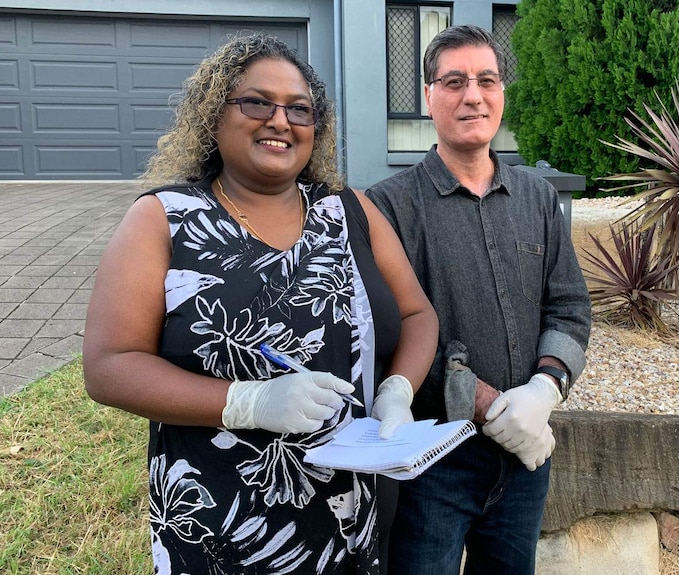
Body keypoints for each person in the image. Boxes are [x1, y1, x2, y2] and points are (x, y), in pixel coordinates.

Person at [83, 33, 437, 575]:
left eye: (300, 109)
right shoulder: (165, 220)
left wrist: (397, 391)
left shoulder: (350, 211)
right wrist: (247, 403)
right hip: (222, 528)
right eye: (257, 102)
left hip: (354, 519)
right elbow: (109, 367)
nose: (281, 120)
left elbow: (417, 315)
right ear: (214, 115)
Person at [366, 24, 591, 575]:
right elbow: (393, 332)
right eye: (454, 81)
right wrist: (488, 402)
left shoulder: (537, 197)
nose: (473, 95)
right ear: (428, 97)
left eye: (487, 80)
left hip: (524, 458)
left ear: (502, 94)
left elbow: (569, 306)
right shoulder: (388, 207)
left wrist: (545, 388)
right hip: (431, 463)